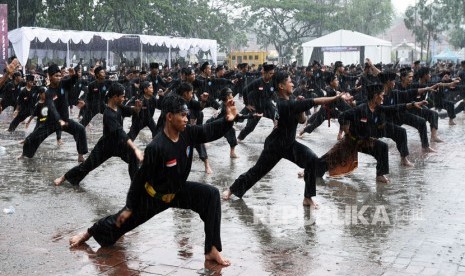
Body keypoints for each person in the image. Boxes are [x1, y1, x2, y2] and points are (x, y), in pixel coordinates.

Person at [69, 94, 238, 266]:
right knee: (117, 223)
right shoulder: (156, 147)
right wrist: (130, 207)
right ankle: (87, 233)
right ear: (170, 117)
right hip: (153, 197)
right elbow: (139, 180)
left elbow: (209, 131)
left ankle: (212, 250)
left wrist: (228, 119)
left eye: (187, 115)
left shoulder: (188, 133)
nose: (186, 119)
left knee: (211, 195)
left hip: (178, 191)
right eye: (182, 115)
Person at [223, 71, 349, 208]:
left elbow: (302, 120)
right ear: (281, 86)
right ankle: (232, 189)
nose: (293, 83)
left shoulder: (292, 100)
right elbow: (315, 101)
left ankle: (308, 198)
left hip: (289, 144)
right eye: (290, 81)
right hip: (275, 145)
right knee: (257, 171)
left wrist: (300, 107)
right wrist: (335, 98)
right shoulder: (281, 103)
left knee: (312, 160)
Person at [322, 84, 426, 183]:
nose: (383, 97)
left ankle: (380, 175)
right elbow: (342, 116)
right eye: (381, 95)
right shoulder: (361, 109)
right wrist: (347, 131)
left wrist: (412, 104)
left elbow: (394, 108)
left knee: (382, 147)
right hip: (351, 141)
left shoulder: (378, 109)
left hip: (365, 142)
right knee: (329, 159)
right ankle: (312, 171)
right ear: (376, 96)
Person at [54, 83, 143, 186]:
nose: (124, 98)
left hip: (119, 145)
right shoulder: (108, 114)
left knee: (134, 158)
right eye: (122, 96)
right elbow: (121, 133)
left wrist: (137, 109)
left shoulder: (119, 107)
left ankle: (136, 186)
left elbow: (130, 111)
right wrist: (135, 148)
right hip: (106, 146)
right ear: (115, 97)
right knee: (86, 166)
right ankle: (64, 177)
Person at [19, 64, 88, 162]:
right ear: (50, 77)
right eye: (56, 76)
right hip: (50, 122)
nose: (59, 78)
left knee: (80, 129)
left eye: (60, 76)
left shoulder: (63, 84)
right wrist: (59, 120)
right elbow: (52, 108)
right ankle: (24, 155)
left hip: (65, 120)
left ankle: (80, 156)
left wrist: (74, 75)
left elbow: (72, 81)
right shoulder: (48, 92)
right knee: (33, 137)